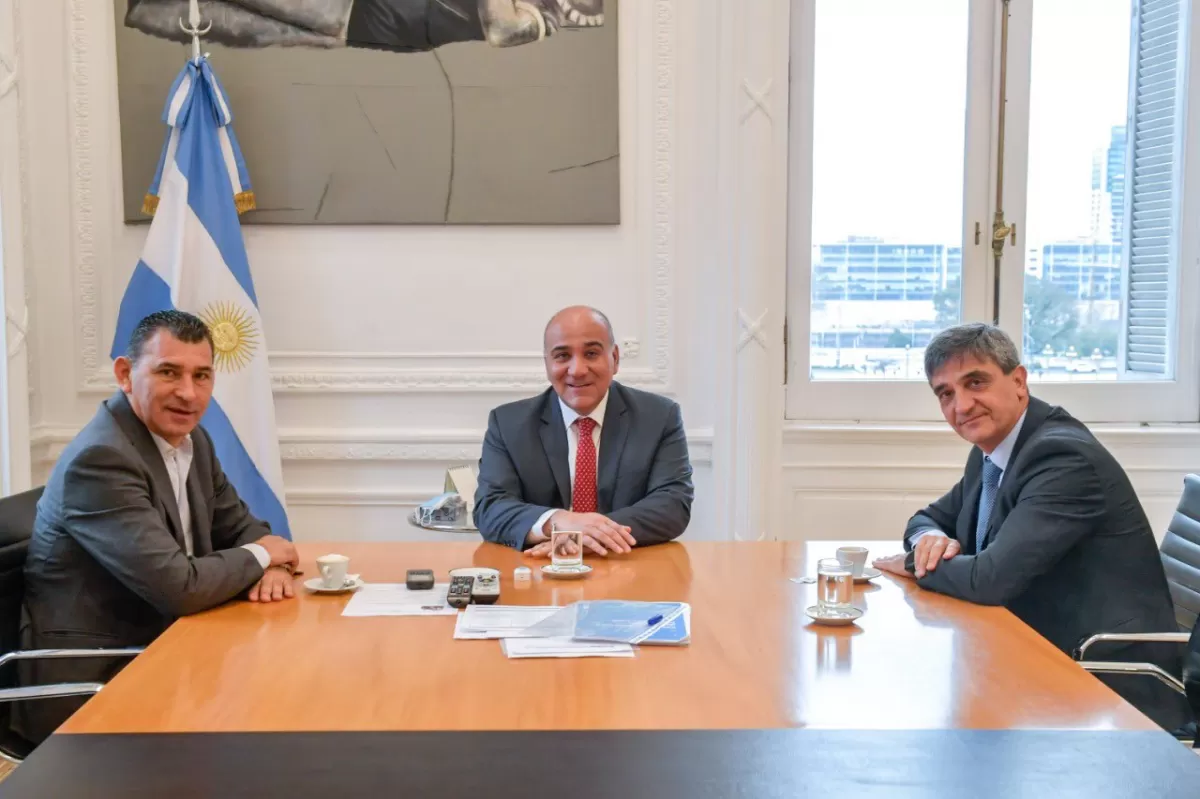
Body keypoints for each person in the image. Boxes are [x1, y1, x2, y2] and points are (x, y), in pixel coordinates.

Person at [873, 323, 1189, 732]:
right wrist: (928, 539)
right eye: (945, 393)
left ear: (1018, 381)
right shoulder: (995, 449)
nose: (962, 405)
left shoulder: (1062, 458)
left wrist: (916, 561)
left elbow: (989, 580)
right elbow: (927, 517)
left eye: (976, 383)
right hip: (1040, 655)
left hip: (1108, 683)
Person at [16, 310, 298, 743]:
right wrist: (264, 556)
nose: (189, 393)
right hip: (98, 683)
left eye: (202, 375)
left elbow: (247, 529)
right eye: (169, 372)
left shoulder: (191, 441)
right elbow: (178, 587)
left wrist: (272, 565)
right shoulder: (102, 460)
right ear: (125, 374)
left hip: (167, 651)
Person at [474, 306, 693, 556]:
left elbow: (673, 504)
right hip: (539, 569)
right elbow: (490, 508)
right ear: (547, 364)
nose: (577, 369)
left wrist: (585, 536)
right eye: (562, 356)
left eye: (591, 353)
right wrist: (559, 522)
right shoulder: (508, 423)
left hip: (627, 567)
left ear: (615, 358)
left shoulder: (659, 417)